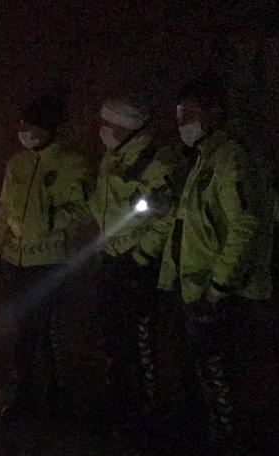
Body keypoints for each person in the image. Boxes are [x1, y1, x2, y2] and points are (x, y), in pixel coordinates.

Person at [158, 74, 274, 456]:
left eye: (189, 114)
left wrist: (218, 288)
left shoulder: (229, 160)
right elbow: (194, 226)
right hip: (198, 292)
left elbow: (246, 224)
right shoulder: (206, 159)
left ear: (215, 113)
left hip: (220, 297)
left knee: (220, 386)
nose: (181, 122)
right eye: (178, 115)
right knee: (203, 382)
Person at [0, 93, 92, 421]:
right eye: (22, 125)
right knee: (23, 333)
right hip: (16, 262)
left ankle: (57, 395)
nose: (25, 131)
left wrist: (47, 220)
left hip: (50, 262)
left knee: (48, 332)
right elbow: (6, 210)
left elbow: (81, 211)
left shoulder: (72, 164)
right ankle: (24, 394)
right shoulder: (16, 163)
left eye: (31, 125)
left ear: (49, 127)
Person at [89, 98, 188, 429]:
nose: (104, 131)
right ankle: (119, 402)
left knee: (141, 339)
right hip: (111, 257)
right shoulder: (113, 158)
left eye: (111, 126)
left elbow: (167, 214)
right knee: (113, 336)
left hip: (137, 263)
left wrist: (143, 254)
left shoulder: (154, 162)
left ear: (127, 128)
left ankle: (148, 409)